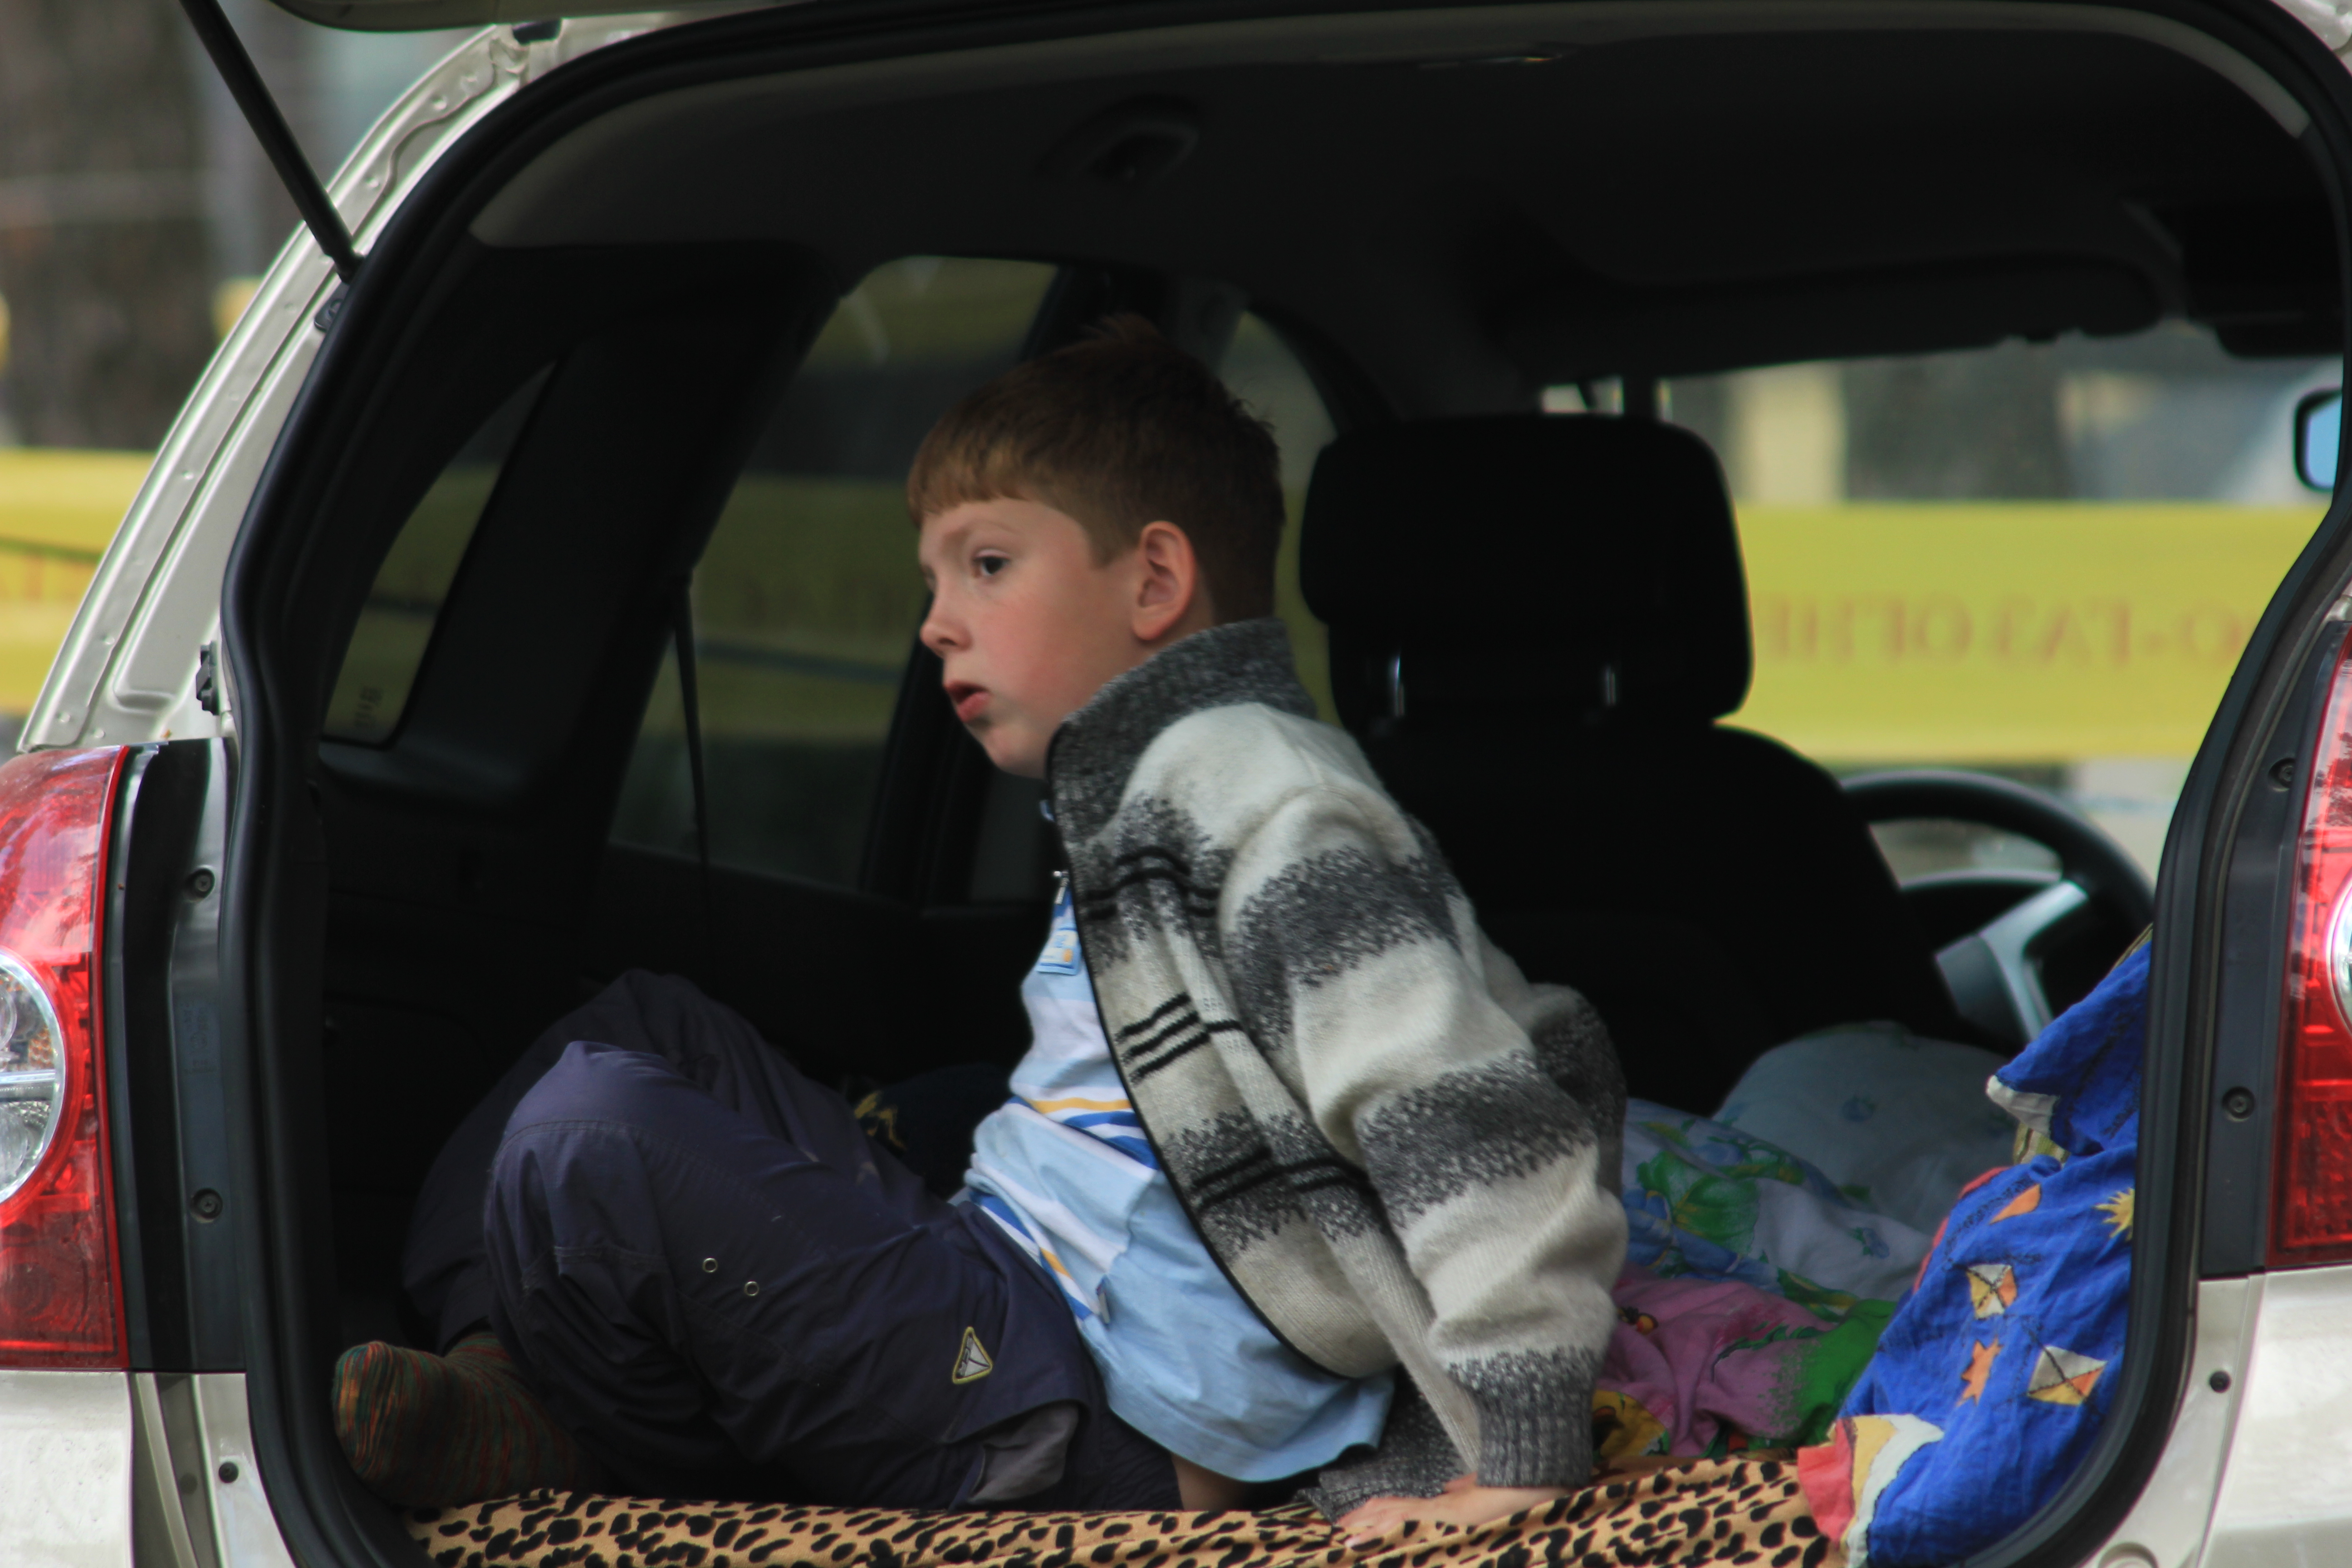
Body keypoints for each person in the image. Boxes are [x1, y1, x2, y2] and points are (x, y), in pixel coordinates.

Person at [353, 318, 1628, 1535]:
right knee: (641, 1024)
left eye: (989, 565)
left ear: (1156, 580)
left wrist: (1522, 1452)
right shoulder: (1151, 794)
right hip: (1013, 1296)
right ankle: (508, 1378)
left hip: (1097, 1418)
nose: (936, 622)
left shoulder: (1265, 797)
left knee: (593, 1131)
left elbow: (1464, 1113)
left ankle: (579, 1439)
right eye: (935, 578)